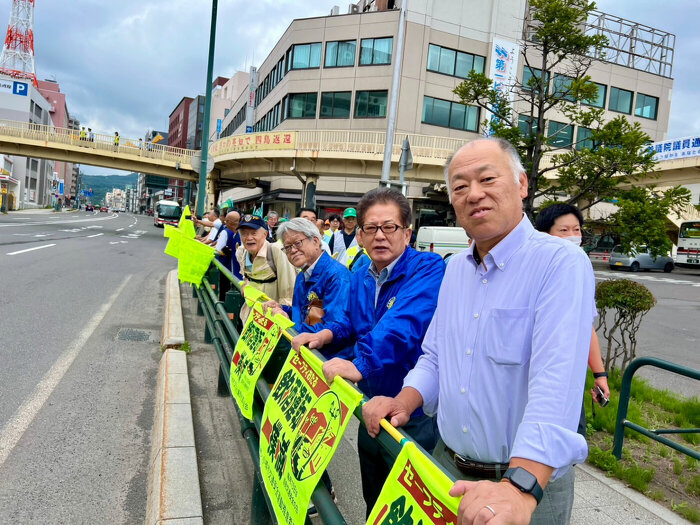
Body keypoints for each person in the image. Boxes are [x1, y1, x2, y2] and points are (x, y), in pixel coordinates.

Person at [363, 138, 596, 525]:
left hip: (522, 487)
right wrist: (403, 401)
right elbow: (436, 356)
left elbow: (556, 383)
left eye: (487, 179)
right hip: (446, 465)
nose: (473, 194)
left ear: (521, 184)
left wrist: (520, 487)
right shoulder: (455, 268)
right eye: (459, 186)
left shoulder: (560, 262)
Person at [292, 188, 445, 516]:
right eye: (371, 228)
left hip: (412, 412)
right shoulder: (361, 273)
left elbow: (401, 325)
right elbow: (348, 319)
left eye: (389, 227)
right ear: (359, 235)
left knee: (408, 509)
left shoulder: (428, 268)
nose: (380, 236)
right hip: (369, 405)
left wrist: (360, 363)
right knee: (372, 500)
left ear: (407, 233)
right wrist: (323, 335)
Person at [534, 203, 610, 438]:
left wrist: (600, 375)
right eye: (564, 230)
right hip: (534, 377)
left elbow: (586, 326)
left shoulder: (580, 269)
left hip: (568, 377)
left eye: (576, 230)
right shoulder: (532, 270)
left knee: (569, 438)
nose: (572, 236)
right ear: (544, 235)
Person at [235, 214, 296, 323]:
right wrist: (245, 283)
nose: (249, 238)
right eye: (244, 233)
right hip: (250, 315)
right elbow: (246, 276)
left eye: (254, 233)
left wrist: (282, 315)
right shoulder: (241, 252)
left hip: (271, 317)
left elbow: (288, 291)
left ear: (265, 234)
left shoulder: (276, 251)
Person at [214, 210, 242, 298]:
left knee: (224, 291)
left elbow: (217, 250)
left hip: (226, 268)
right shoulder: (240, 233)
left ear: (228, 221)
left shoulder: (225, 232)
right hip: (239, 269)